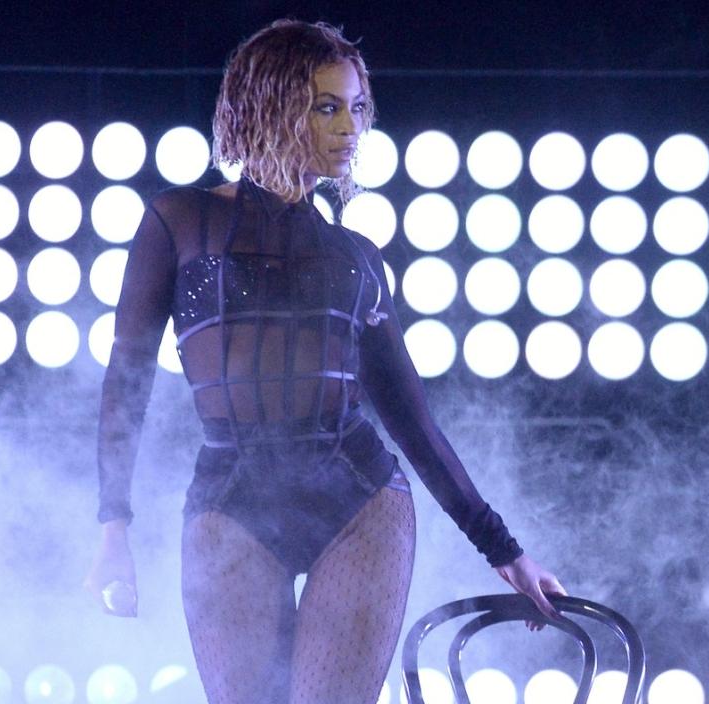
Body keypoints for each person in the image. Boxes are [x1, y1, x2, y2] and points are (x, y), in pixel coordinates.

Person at [83, 20, 565, 704]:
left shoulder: (356, 257)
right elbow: (126, 380)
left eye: (358, 108)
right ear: (271, 107)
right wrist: (114, 528)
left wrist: (506, 553)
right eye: (327, 107)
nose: (351, 128)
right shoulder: (179, 221)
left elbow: (412, 422)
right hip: (229, 499)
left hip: (358, 499)